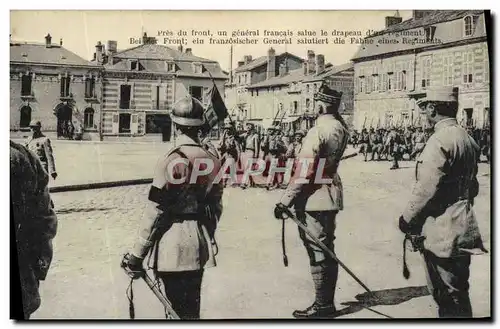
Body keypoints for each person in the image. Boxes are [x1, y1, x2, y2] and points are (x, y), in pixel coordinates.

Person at [123, 96, 224, 319]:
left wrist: (137, 254)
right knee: (191, 311)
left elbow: (156, 211)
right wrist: (208, 234)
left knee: (175, 311)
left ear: (175, 126)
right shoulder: (213, 160)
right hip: (199, 244)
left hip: (172, 246)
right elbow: (216, 208)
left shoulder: (170, 160)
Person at [400, 87, 487, 318]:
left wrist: (406, 219)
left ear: (432, 108)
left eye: (424, 110)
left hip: (441, 227)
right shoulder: (466, 138)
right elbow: (474, 186)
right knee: (459, 290)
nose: (424, 116)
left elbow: (426, 189)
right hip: (463, 222)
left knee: (446, 294)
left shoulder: (439, 140)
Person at [274, 84, 349, 318]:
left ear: (320, 105)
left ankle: (323, 305)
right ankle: (325, 302)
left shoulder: (318, 131)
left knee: (318, 251)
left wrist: (285, 200)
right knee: (326, 248)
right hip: (329, 194)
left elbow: (304, 170)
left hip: (314, 197)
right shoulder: (340, 128)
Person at [10, 141, 58, 319]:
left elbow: (43, 221)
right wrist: (37, 268)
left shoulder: (24, 155)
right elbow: (44, 222)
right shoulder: (23, 153)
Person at [239, 122, 259, 189]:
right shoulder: (245, 135)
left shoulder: (255, 136)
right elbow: (237, 137)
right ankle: (252, 182)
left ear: (252, 128)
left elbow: (257, 147)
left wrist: (256, 157)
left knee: (247, 168)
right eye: (247, 127)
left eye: (249, 127)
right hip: (246, 152)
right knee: (247, 168)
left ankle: (244, 183)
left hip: (251, 152)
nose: (247, 128)